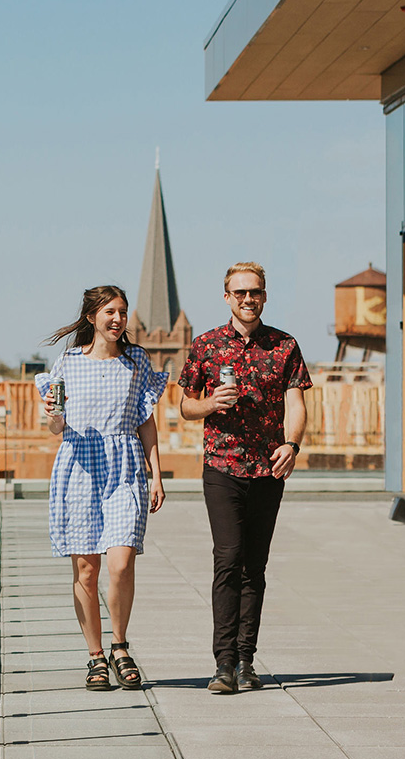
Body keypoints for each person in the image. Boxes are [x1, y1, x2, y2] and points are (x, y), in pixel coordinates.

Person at [179, 262, 311, 694]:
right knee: (227, 560)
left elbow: (296, 403)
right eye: (239, 293)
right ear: (226, 297)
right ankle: (222, 664)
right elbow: (185, 407)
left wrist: (291, 445)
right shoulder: (206, 346)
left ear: (265, 295)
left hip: (269, 468)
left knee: (255, 567)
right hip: (222, 466)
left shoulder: (285, 346)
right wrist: (211, 403)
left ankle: (246, 662)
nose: (247, 300)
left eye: (254, 292)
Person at [36, 285, 167, 691]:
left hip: (125, 464)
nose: (118, 319)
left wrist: (156, 473)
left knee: (122, 562)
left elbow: (145, 419)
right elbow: (55, 425)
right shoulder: (68, 363)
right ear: (92, 317)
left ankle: (120, 645)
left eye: (123, 312)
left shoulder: (137, 361)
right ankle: (96, 656)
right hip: (79, 466)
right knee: (87, 570)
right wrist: (52, 416)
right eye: (110, 311)